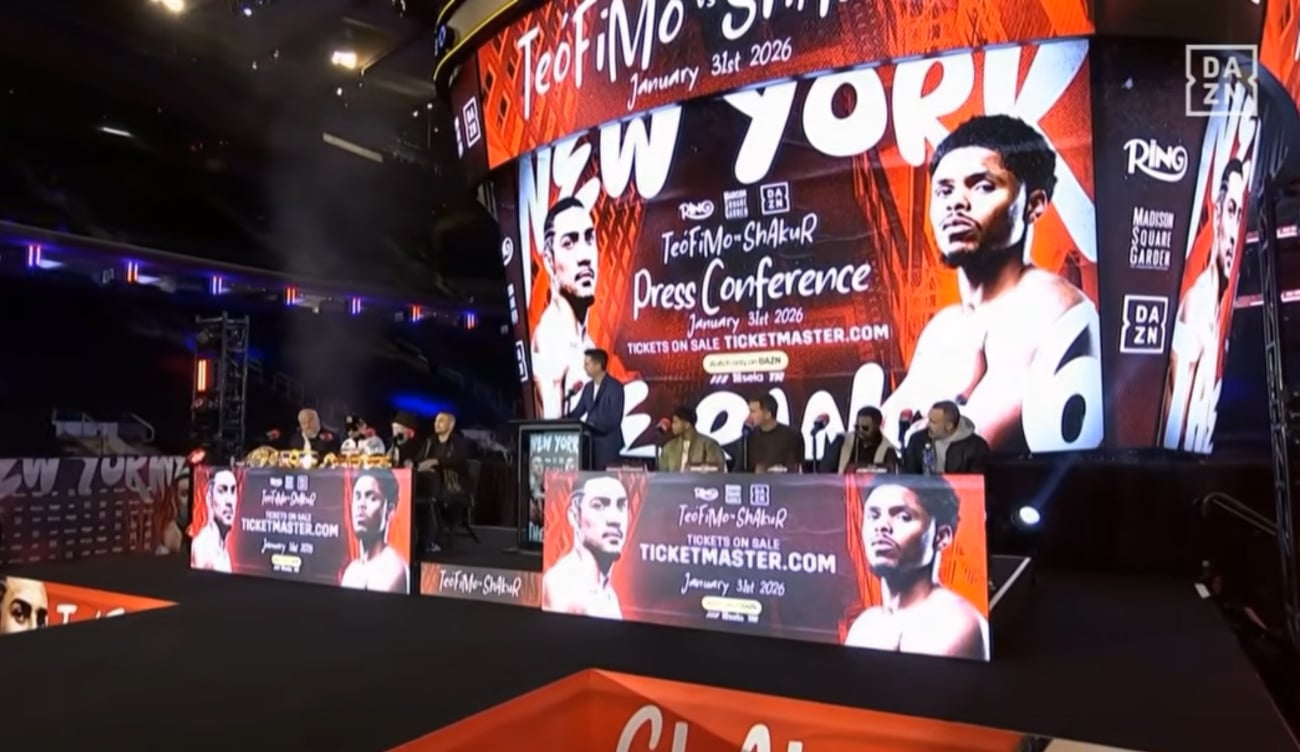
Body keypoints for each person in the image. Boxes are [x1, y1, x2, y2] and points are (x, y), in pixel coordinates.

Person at [881, 114, 1100, 453]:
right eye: (944, 190)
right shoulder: (944, 326)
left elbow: (970, 446)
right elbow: (878, 433)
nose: (956, 203)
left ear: (1034, 204)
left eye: (982, 186)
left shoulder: (1047, 305)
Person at [844, 477, 989, 659]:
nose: (881, 527)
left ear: (942, 536)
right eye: (874, 516)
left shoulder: (958, 623)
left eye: (903, 517)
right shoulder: (865, 625)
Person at [1162, 158, 1247, 450]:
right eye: (1231, 211)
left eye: (1240, 215)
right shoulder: (1196, 307)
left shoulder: (1215, 308)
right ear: (1218, 210)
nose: (1235, 233)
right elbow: (1172, 435)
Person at [532, 197, 600, 419]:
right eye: (569, 243)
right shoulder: (551, 343)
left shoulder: (585, 342)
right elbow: (552, 441)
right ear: (550, 262)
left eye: (589, 239)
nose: (584, 257)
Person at [542, 475, 628, 619]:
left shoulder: (610, 595)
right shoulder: (561, 586)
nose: (614, 519)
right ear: (575, 516)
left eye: (621, 505)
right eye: (598, 505)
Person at [341, 470, 409, 593]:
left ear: (390, 510)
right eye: (357, 497)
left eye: (372, 498)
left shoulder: (394, 569)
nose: (361, 505)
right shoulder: (351, 571)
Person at [416, 410, 474, 551]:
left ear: (451, 424)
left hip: (452, 486)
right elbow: (419, 460)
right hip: (428, 483)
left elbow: (458, 461)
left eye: (441, 421)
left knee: (431, 499)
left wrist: (436, 461)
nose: (437, 424)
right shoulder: (430, 441)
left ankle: (432, 539)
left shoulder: (458, 443)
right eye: (436, 421)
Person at [565, 348, 625, 470]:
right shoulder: (588, 387)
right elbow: (578, 411)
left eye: (587, 364)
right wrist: (562, 420)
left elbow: (614, 419)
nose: (584, 367)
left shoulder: (615, 387)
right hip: (590, 446)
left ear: (598, 365)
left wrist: (592, 425)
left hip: (608, 446)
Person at [902, 401, 990, 475]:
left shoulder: (977, 447)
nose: (927, 425)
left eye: (933, 422)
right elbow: (909, 476)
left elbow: (977, 486)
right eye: (929, 419)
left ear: (949, 426)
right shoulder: (917, 440)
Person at [820, 406, 899, 473]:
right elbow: (824, 470)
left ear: (877, 426)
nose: (860, 431)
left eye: (865, 428)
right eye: (857, 427)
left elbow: (891, 478)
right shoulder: (842, 440)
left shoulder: (887, 449)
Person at [191, 467, 237, 573]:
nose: (229, 501)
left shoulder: (223, 551)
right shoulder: (203, 547)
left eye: (233, 491)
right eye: (222, 490)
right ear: (209, 497)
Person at [744, 394, 804, 472]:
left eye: (753, 412)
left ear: (767, 414)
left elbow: (796, 467)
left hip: (781, 481)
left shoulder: (791, 436)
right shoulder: (749, 436)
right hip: (755, 483)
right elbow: (741, 469)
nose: (749, 416)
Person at [658, 405, 726, 472]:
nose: (672, 426)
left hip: (700, 483)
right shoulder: (669, 447)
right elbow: (663, 473)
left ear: (687, 424)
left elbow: (717, 469)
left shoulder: (709, 445)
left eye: (676, 422)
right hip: (674, 483)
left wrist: (693, 468)